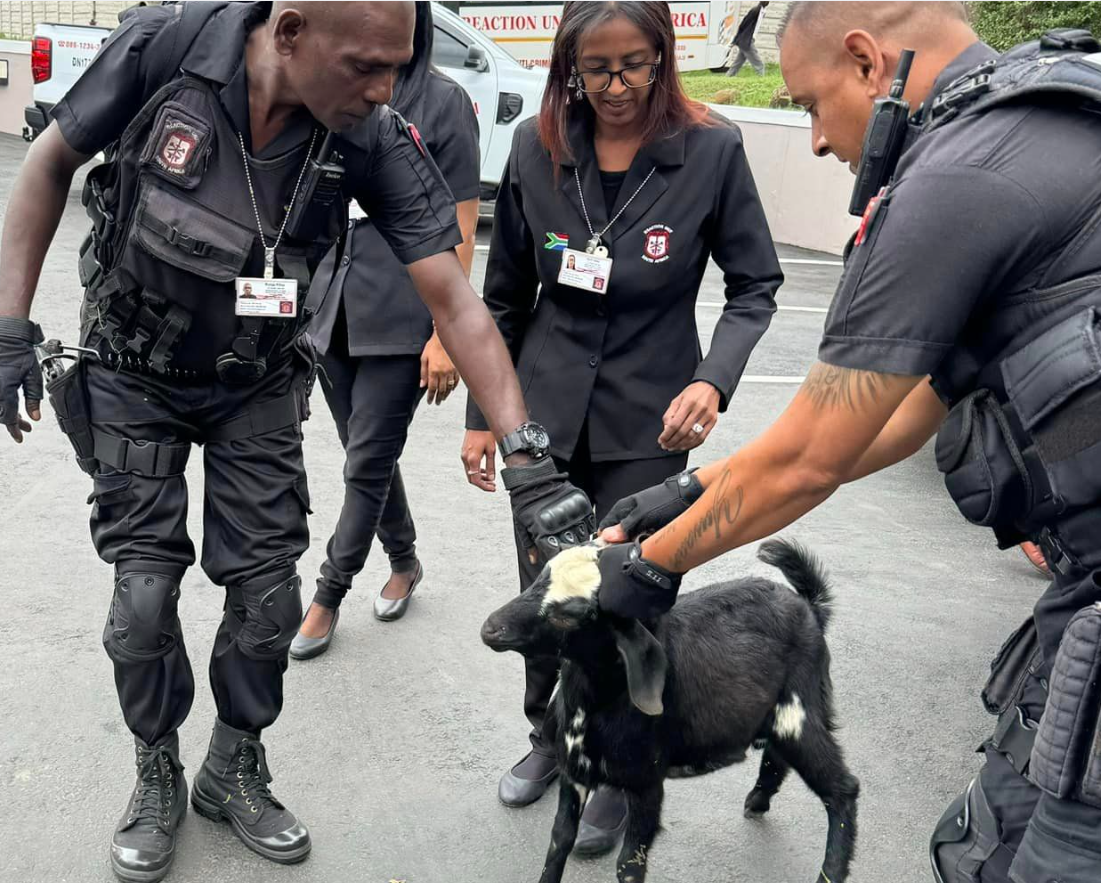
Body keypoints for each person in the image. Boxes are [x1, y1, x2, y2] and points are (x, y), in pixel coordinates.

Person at [0, 3, 594, 881]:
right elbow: (48, 163)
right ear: (288, 31)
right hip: (132, 369)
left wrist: (527, 454)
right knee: (142, 599)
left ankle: (234, 762)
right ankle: (155, 766)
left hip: (258, 383)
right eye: (365, 65)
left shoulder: (369, 135)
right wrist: (11, 324)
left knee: (269, 600)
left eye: (397, 67)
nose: (386, 88)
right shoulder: (168, 47)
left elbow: (456, 300)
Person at [596, 4, 1101, 881]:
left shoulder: (959, 174)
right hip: (1083, 584)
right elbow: (899, 414)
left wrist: (651, 570)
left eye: (807, 105)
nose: (820, 143)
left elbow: (812, 455)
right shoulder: (1046, 122)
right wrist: (690, 488)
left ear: (866, 62)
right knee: (989, 842)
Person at [461, 0, 782, 857]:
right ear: (567, 63)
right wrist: (481, 419)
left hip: (650, 427)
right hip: (543, 422)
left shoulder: (710, 150)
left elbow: (755, 286)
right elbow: (499, 298)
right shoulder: (537, 148)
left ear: (662, 57)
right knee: (547, 596)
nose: (614, 86)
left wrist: (713, 380)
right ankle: (548, 739)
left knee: (629, 606)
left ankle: (617, 767)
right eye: (594, 68)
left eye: (634, 65)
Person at [289, 1, 480, 661]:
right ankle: (404, 559)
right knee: (363, 458)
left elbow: (460, 224)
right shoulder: (336, 86)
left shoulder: (445, 102)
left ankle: (327, 594)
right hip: (334, 304)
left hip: (405, 314)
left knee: (366, 462)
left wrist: (442, 334)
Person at [726, 1, 770, 77]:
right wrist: (735, 39)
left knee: (738, 62)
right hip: (746, 41)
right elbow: (743, 24)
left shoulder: (761, 11)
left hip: (747, 40)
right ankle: (762, 79)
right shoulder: (755, 10)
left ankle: (728, 76)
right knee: (759, 63)